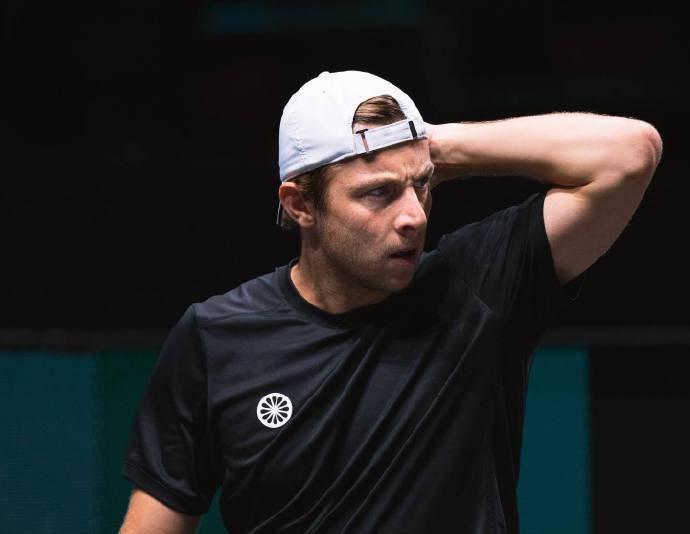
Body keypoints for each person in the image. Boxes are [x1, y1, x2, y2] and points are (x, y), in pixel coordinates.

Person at [119, 70, 662, 534]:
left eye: (421, 185)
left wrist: (432, 144)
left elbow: (630, 153)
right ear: (300, 204)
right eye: (378, 192)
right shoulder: (215, 337)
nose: (414, 217)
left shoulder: (476, 287)